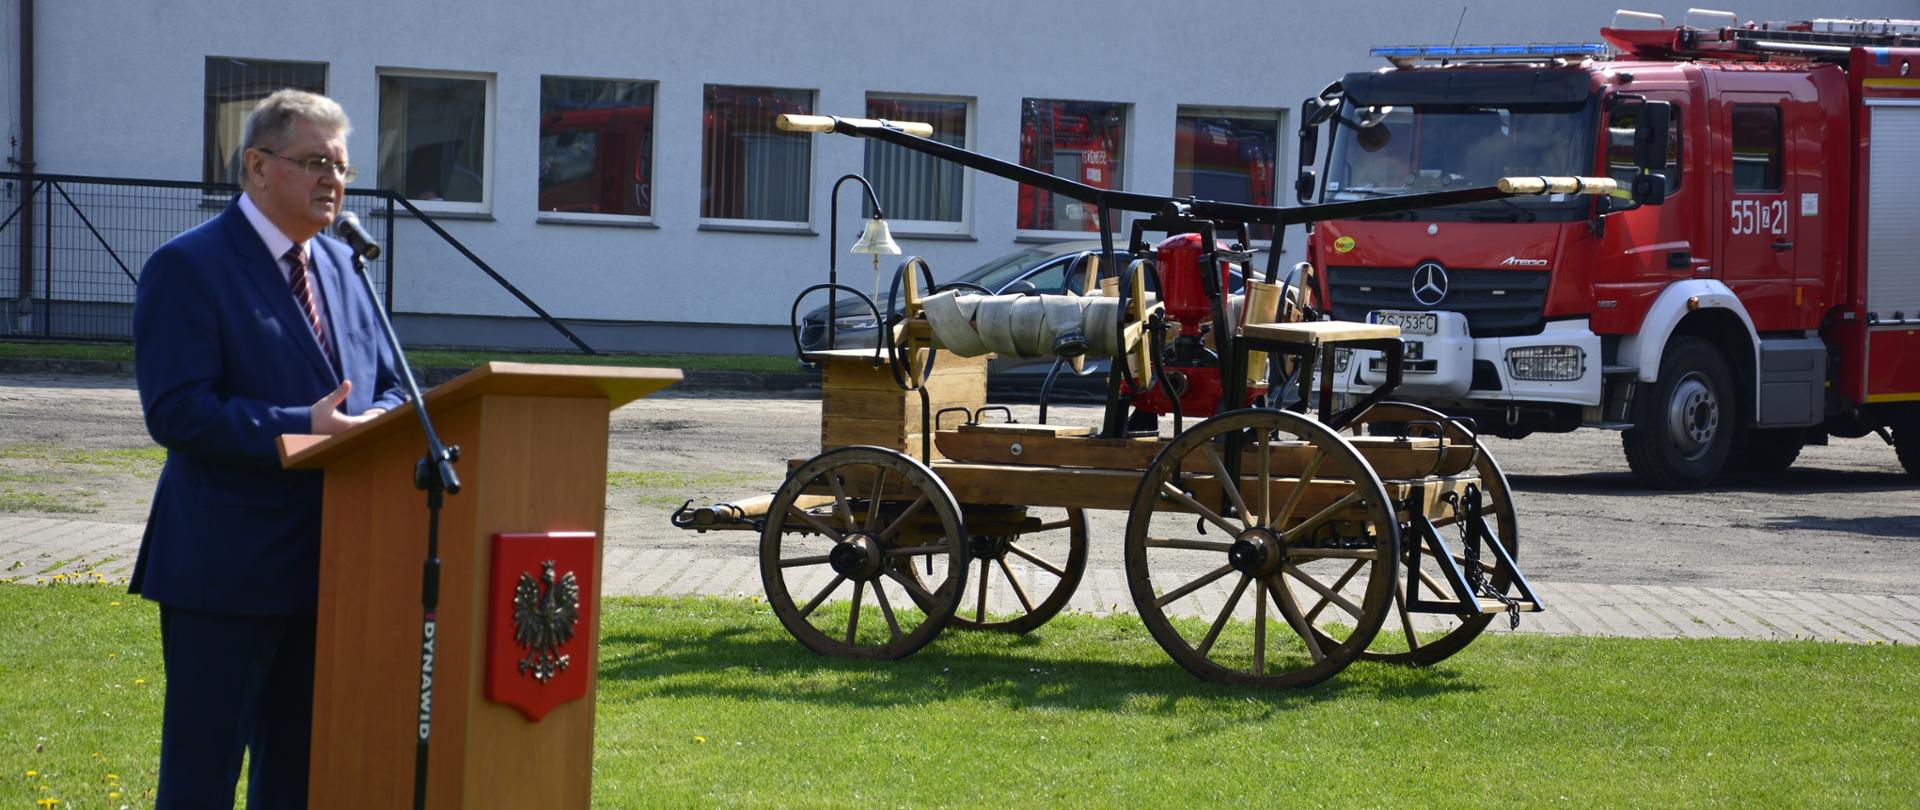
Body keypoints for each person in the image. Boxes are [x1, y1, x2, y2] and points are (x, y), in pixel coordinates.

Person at [131, 89, 405, 808]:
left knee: (300, 773)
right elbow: (177, 410)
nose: (333, 183)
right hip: (225, 568)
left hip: (334, 564)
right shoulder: (189, 266)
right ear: (257, 166)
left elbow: (397, 387)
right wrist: (300, 426)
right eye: (314, 163)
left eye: (341, 168)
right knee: (203, 774)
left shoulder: (346, 267)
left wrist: (380, 418)